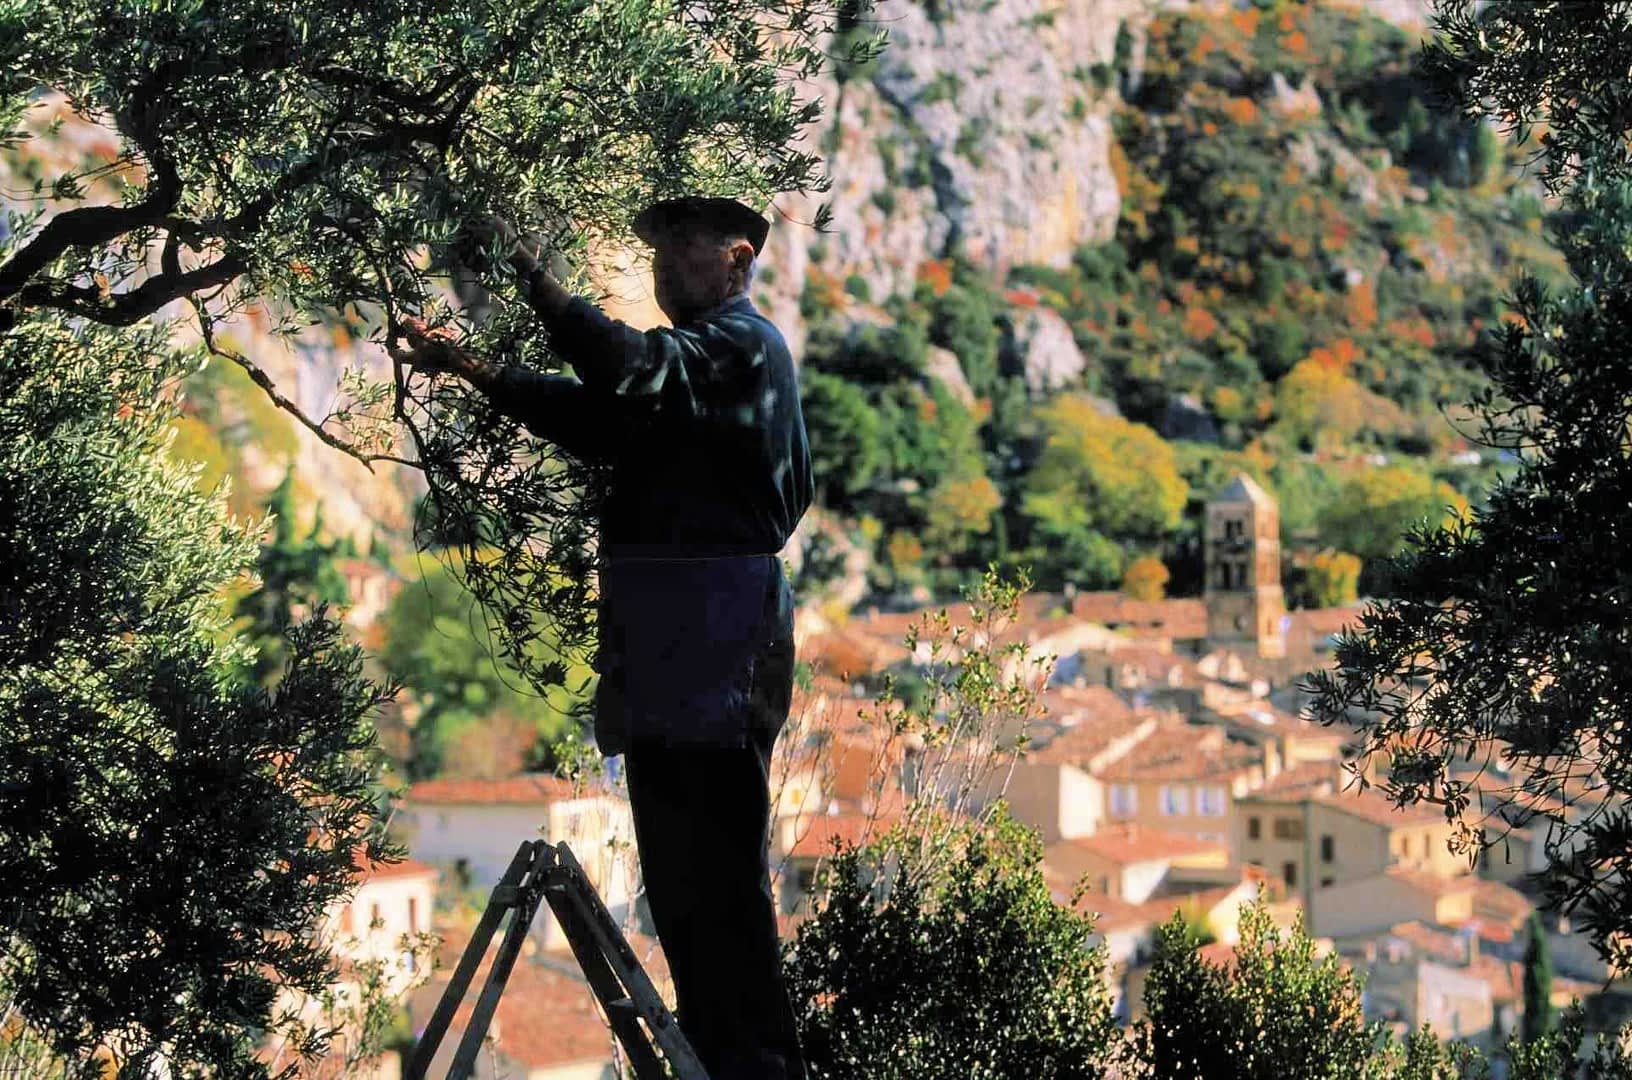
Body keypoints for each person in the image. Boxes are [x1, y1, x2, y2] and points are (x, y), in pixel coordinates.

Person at [393, 197, 813, 1080]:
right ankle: (716, 1055)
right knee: (681, 885)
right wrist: (465, 365)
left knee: (723, 881)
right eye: (655, 252)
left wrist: (532, 274)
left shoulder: (742, 347)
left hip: (720, 641)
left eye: (681, 249)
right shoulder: (687, 380)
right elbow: (589, 417)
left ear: (736, 260)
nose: (662, 266)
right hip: (668, 652)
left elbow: (622, 369)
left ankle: (757, 1068)